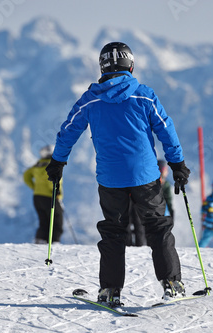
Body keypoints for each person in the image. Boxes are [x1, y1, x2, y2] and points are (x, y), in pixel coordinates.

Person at [45, 42, 191, 309]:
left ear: (102, 67)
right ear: (131, 66)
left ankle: (110, 291)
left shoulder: (91, 99)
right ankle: (172, 284)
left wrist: (58, 161)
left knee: (113, 232)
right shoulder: (144, 96)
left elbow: (68, 131)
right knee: (157, 228)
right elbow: (166, 130)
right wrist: (177, 164)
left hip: (110, 178)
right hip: (146, 176)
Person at [23, 145, 64, 244]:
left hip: (37, 197)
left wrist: (34, 187)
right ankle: (54, 241)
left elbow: (26, 176)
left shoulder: (38, 164)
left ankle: (40, 239)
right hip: (50, 196)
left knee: (44, 220)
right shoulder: (52, 164)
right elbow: (51, 179)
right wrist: (56, 191)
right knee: (57, 219)